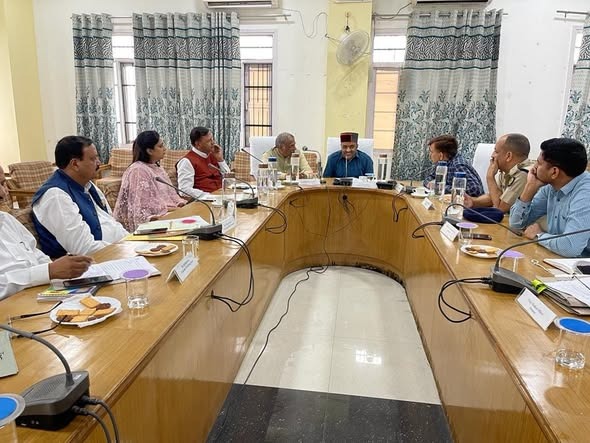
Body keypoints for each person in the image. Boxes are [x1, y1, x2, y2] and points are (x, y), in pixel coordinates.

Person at [32, 136, 128, 258]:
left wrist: (132, 242)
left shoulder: (88, 185)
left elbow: (111, 223)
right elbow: (83, 248)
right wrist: (125, 249)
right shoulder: (56, 196)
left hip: (118, 250)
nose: (99, 163)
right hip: (96, 261)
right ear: (75, 164)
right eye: (93, 159)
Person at [509, 137, 590, 257]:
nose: (534, 167)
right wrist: (529, 188)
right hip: (559, 259)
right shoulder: (551, 186)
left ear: (554, 172)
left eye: (538, 163)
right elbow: (516, 225)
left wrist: (538, 235)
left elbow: (570, 247)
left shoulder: (585, 194)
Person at [0, 210, 92, 299]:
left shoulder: (6, 219)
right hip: (13, 303)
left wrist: (61, 270)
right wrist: (48, 272)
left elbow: (35, 253)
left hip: (41, 292)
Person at [114, 131, 186, 232]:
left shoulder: (157, 167)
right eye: (160, 146)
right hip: (152, 221)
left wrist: (179, 203)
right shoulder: (138, 170)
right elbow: (143, 208)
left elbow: (170, 194)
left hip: (167, 213)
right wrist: (174, 209)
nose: (165, 149)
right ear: (150, 151)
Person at [464, 134, 533, 212]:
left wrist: (490, 177)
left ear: (508, 156)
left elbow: (500, 208)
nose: (492, 155)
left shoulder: (523, 175)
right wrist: (472, 201)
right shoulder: (507, 171)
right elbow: (493, 197)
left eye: (496, 151)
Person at [176, 126, 230, 199]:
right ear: (198, 144)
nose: (213, 143)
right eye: (209, 141)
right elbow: (184, 190)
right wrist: (209, 196)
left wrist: (220, 160)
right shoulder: (186, 161)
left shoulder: (214, 155)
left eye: (212, 139)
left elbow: (229, 181)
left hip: (223, 196)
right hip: (205, 201)